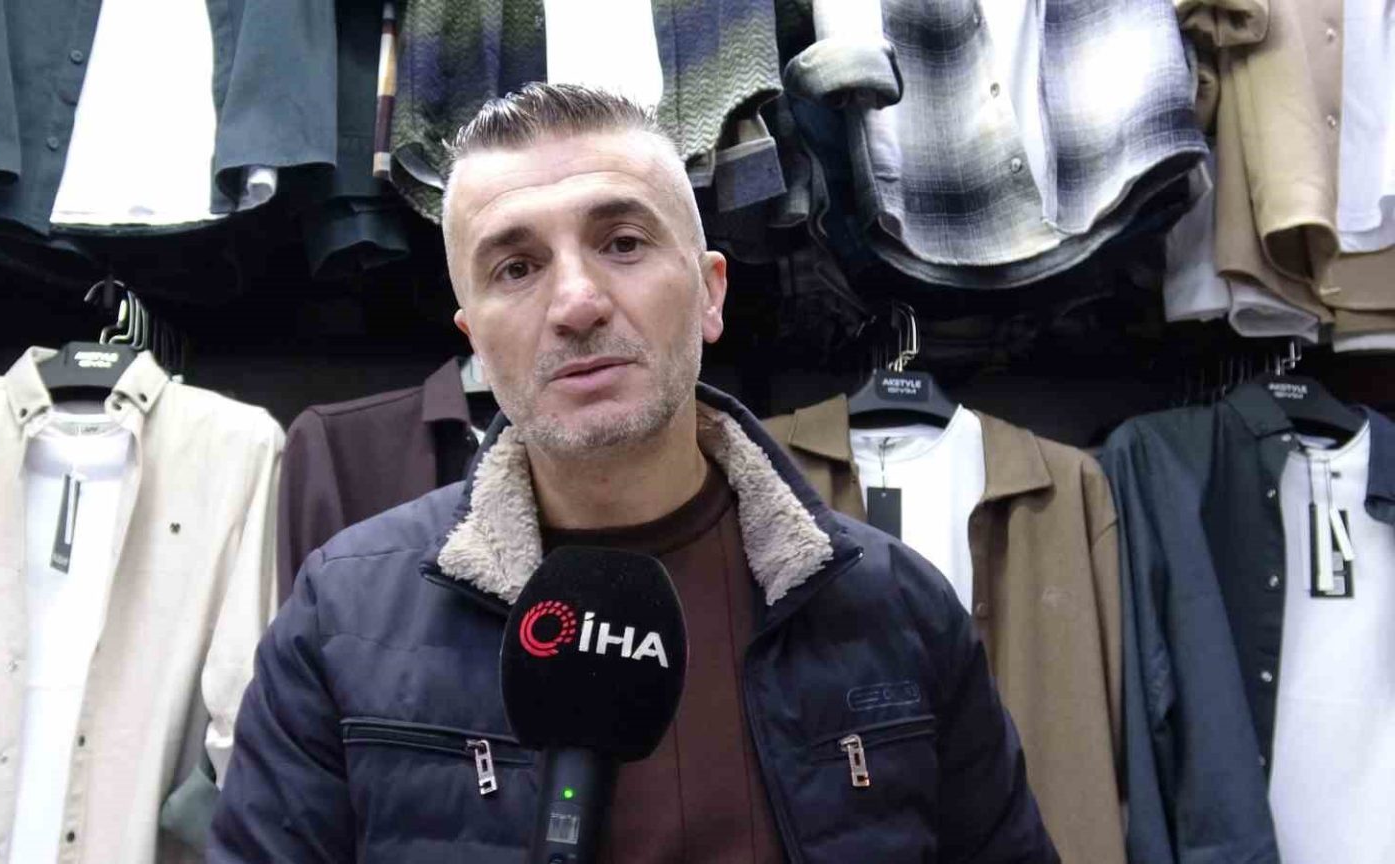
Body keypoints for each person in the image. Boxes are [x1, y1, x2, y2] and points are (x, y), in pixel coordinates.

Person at [210, 83, 1057, 863]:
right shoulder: (339, 619)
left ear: (711, 292)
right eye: (516, 267)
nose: (577, 303)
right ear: (473, 338)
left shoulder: (899, 609)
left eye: (622, 243)